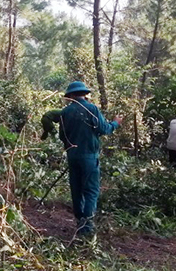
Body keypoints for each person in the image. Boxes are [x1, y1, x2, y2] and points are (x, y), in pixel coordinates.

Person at [41, 81, 122, 237]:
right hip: (89, 156)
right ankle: (87, 225)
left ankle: (80, 221)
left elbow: (62, 136)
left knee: (76, 189)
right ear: (84, 94)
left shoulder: (65, 112)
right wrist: (116, 123)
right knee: (91, 190)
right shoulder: (92, 109)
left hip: (72, 155)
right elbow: (104, 129)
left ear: (71, 96)